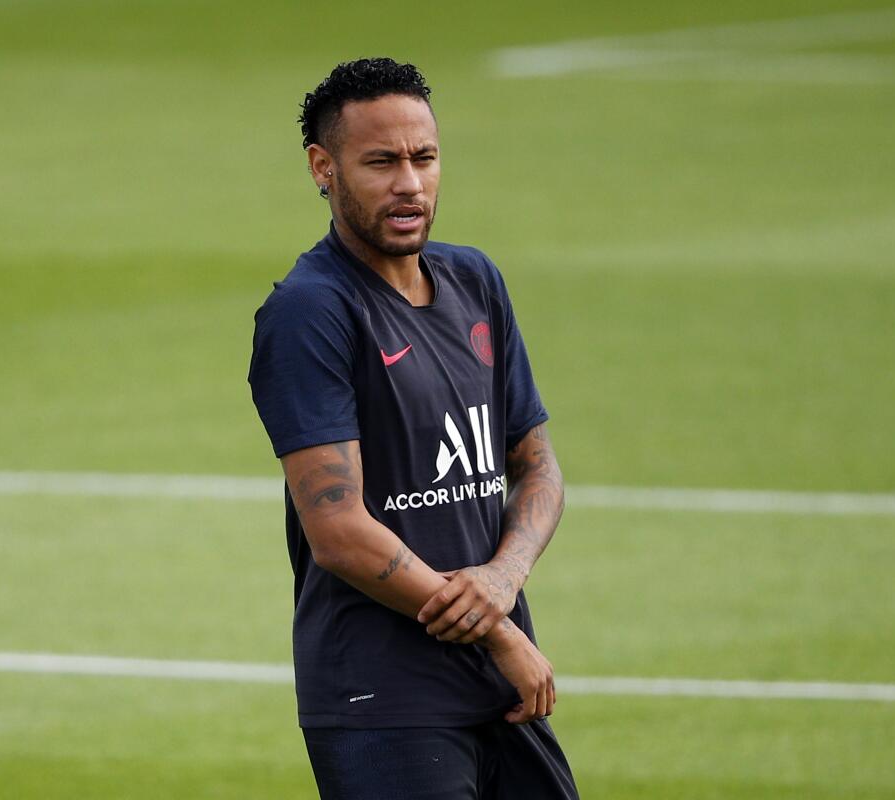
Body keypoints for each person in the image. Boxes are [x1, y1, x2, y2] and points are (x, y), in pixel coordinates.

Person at [248, 57, 578, 799]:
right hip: (382, 701)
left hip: (499, 684)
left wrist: (504, 577)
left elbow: (537, 467)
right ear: (322, 168)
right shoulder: (312, 313)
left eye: (424, 158)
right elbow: (338, 532)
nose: (410, 183)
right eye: (381, 162)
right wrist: (497, 628)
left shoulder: (474, 280)